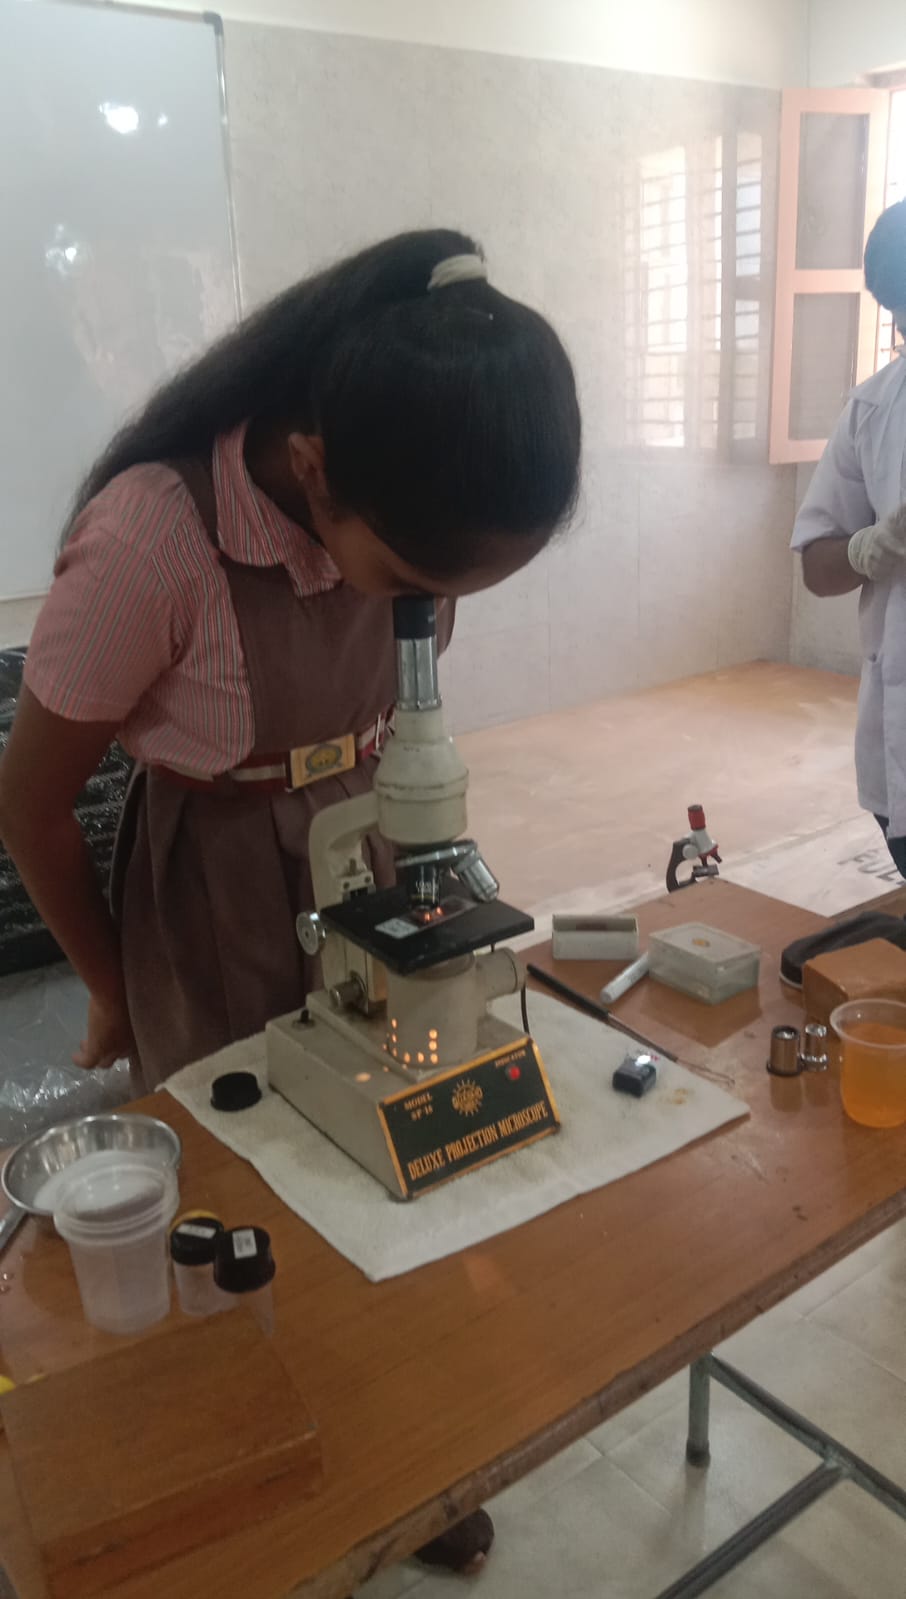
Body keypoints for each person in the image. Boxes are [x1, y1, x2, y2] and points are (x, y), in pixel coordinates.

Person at [0, 229, 580, 1576]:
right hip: (209, 878)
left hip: (368, 843)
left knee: (402, 1146)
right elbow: (29, 807)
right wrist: (113, 988)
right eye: (413, 583)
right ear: (314, 468)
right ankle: (269, 1448)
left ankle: (404, 1440)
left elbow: (395, 697)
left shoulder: (411, 512)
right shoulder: (151, 539)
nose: (427, 613)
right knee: (252, 1176)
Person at [792, 199, 906, 876]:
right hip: (897, 740)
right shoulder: (873, 408)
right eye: (899, 312)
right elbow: (817, 565)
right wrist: (874, 546)